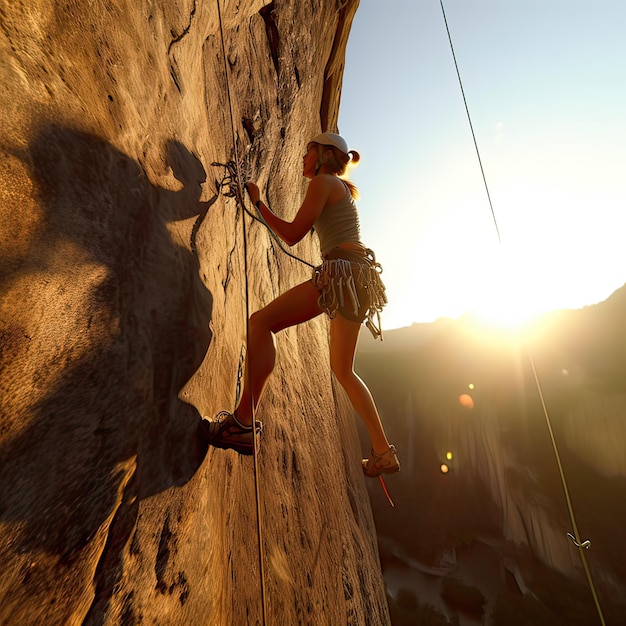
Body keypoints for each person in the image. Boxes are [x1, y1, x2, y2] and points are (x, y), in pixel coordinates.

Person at [201, 132, 400, 478]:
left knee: (261, 323)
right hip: (354, 279)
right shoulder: (335, 189)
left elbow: (292, 235)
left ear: (323, 155)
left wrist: (259, 203)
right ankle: (383, 451)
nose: (302, 158)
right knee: (343, 370)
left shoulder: (323, 183)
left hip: (342, 276)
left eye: (308, 152)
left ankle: (242, 424)